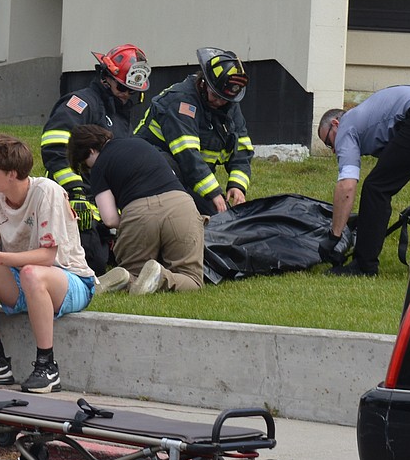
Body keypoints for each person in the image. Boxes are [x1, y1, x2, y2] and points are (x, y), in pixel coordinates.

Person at [0, 135, 96, 393]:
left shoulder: (47, 191)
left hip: (69, 279)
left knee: (33, 273)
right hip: (22, 277)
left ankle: (47, 366)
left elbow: (47, 257)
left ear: (12, 174)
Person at [316, 85, 410, 277]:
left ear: (336, 123)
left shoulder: (348, 126)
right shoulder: (369, 118)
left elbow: (347, 186)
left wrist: (334, 236)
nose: (333, 150)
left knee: (376, 188)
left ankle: (364, 266)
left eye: (330, 142)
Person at [40, 44, 151, 274]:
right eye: (122, 87)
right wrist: (75, 190)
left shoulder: (120, 112)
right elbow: (54, 145)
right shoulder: (82, 104)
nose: (127, 95)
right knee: (94, 263)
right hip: (76, 200)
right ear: (105, 78)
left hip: (103, 205)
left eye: (132, 91)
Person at [68, 125, 204, 295]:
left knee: (136, 273)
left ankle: (126, 276)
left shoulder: (99, 167)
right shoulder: (141, 144)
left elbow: (109, 219)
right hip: (180, 206)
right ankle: (160, 275)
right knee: (191, 278)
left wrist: (129, 224)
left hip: (139, 213)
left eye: (84, 165)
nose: (87, 170)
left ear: (90, 151)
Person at [134, 46, 253, 215]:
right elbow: (187, 155)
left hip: (190, 177)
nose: (220, 103)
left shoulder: (229, 102)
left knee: (220, 218)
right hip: (155, 172)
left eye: (226, 99)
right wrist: (213, 192)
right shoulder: (182, 102)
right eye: (216, 96)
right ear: (204, 83)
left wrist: (237, 185)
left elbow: (242, 147)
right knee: (191, 216)